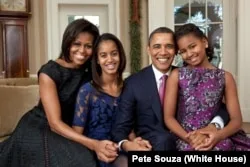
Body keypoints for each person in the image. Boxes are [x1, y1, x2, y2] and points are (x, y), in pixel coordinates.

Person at [111, 27, 229, 153]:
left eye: (169, 46)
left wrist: (215, 125)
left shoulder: (187, 76)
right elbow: (120, 128)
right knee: (164, 140)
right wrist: (128, 144)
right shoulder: (133, 83)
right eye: (157, 46)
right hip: (153, 146)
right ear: (148, 49)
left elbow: (218, 106)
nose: (163, 52)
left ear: (176, 51)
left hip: (189, 139)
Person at [0, 18, 100, 166]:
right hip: (40, 126)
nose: (82, 51)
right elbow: (54, 123)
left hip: (69, 127)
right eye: (77, 44)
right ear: (67, 42)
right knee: (80, 160)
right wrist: (93, 144)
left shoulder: (90, 72)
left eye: (88, 46)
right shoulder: (50, 71)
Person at [164, 23, 250, 151]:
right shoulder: (176, 75)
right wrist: (190, 138)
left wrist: (218, 135)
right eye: (183, 51)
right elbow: (168, 118)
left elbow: (236, 120)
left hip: (216, 135)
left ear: (204, 42)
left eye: (192, 46)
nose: (189, 53)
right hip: (185, 136)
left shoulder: (225, 77)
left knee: (224, 146)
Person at [72, 33, 127, 167]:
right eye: (103, 55)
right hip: (96, 150)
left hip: (122, 146)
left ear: (120, 55)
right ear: (97, 59)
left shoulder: (128, 87)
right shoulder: (87, 91)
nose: (110, 59)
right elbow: (76, 134)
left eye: (114, 53)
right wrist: (95, 147)